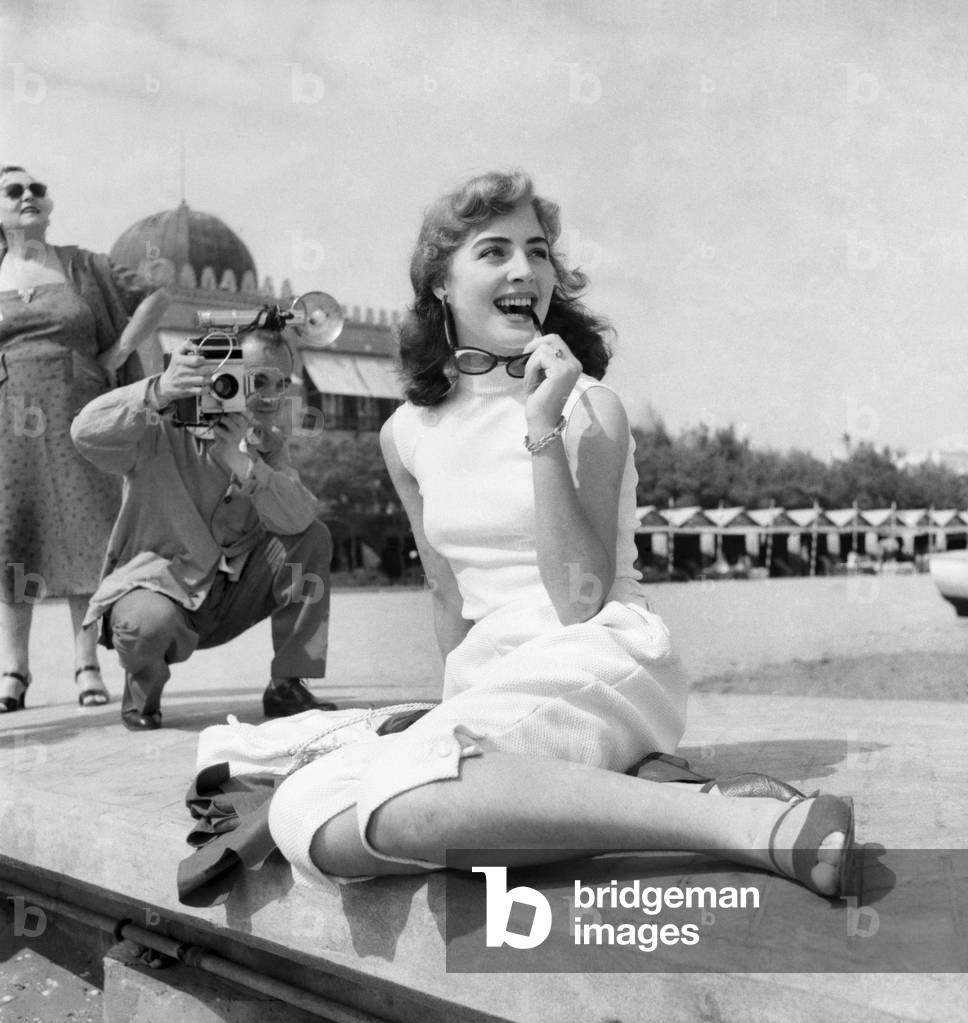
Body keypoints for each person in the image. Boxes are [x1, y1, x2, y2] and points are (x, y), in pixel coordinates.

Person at [267, 171, 856, 899]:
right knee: (303, 814)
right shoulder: (405, 433)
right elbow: (447, 591)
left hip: (597, 651)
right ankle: (599, 794)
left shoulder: (588, 408)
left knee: (397, 791)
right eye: (494, 251)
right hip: (498, 678)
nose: (525, 270)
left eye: (538, 251)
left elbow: (580, 597)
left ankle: (748, 825)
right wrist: (456, 713)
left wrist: (540, 425)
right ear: (441, 286)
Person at [71, 327, 336, 730]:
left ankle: (287, 685)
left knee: (314, 537)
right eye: (257, 379)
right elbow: (84, 432)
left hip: (231, 597)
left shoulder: (267, 443)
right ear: (219, 374)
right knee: (142, 625)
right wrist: (159, 389)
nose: (271, 396)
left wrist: (246, 465)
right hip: (163, 593)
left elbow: (300, 520)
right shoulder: (157, 430)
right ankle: (143, 692)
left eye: (282, 383)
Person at [0, 164, 168, 713]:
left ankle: (85, 664)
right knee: (13, 537)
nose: (28, 197)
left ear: (49, 207)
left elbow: (155, 296)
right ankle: (14, 670)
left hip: (78, 413)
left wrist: (117, 354)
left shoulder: (82, 265)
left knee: (85, 535)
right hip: (9, 417)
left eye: (37, 190)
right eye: (13, 191)